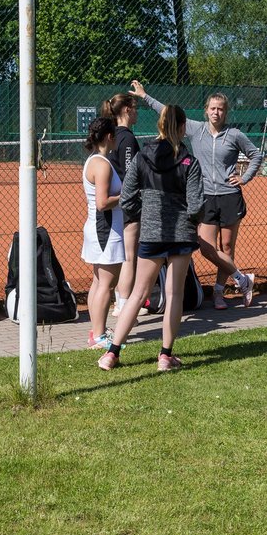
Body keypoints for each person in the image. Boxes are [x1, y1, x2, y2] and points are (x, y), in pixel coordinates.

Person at [130, 80, 261, 309]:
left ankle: (219, 293)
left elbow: (256, 155)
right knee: (206, 246)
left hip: (230, 195)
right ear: (206, 110)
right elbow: (168, 113)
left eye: (220, 108)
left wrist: (244, 177)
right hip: (205, 196)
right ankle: (242, 279)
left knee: (228, 247)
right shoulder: (195, 128)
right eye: (212, 108)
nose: (216, 112)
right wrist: (144, 96)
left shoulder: (235, 134)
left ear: (225, 111)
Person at [99, 104, 204, 372]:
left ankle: (112, 353)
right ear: (182, 128)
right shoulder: (189, 162)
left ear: (159, 125)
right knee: (174, 293)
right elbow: (196, 205)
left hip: (152, 232)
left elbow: (127, 197)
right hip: (180, 234)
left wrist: (142, 215)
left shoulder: (142, 158)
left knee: (137, 293)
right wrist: (189, 222)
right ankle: (165, 356)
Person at [80, 117, 124, 350]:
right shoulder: (102, 164)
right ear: (109, 137)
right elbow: (102, 203)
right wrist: (127, 196)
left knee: (99, 282)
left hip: (100, 229)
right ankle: (98, 336)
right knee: (106, 284)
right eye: (115, 134)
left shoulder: (95, 161)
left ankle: (96, 331)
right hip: (105, 229)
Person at [101, 92, 141, 316]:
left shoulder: (111, 136)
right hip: (127, 205)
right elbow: (128, 174)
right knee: (128, 255)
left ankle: (120, 301)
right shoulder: (126, 138)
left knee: (120, 254)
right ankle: (123, 305)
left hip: (116, 204)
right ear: (127, 110)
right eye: (135, 108)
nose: (136, 112)